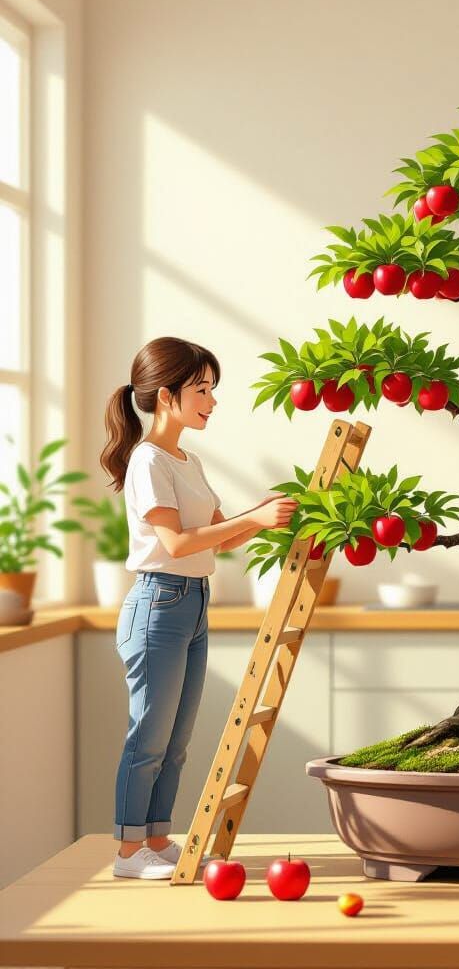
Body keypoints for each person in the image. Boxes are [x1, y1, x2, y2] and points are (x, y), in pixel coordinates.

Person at [100, 337, 297, 879]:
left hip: (193, 604)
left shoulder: (189, 459)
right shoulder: (148, 461)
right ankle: (125, 853)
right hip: (158, 604)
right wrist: (253, 520)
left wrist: (259, 513)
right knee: (148, 736)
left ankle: (157, 840)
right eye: (202, 389)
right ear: (167, 396)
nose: (212, 400)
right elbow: (179, 544)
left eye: (213, 390)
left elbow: (217, 538)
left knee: (177, 739)